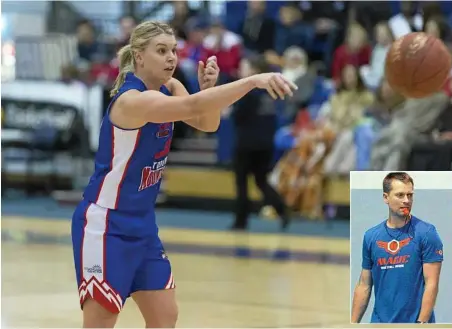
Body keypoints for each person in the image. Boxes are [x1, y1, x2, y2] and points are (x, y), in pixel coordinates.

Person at [71, 20, 297, 328]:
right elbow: (192, 106)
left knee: (166, 316)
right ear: (139, 56)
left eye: (174, 51)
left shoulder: (171, 87)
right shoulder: (133, 100)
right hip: (105, 225)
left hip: (142, 225)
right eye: (161, 51)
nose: (171, 58)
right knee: (101, 322)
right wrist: (252, 81)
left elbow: (208, 123)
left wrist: (209, 90)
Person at [351, 172, 443, 324]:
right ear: (386, 198)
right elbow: (364, 284)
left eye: (410, 195)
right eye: (400, 195)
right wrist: (353, 324)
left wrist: (422, 323)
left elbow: (431, 283)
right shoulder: (371, 236)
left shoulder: (426, 233)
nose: (406, 200)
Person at [231, 55, 290, 230]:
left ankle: (241, 220)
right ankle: (281, 208)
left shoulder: (246, 91)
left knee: (242, 182)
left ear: (254, 71)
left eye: (244, 66)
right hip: (265, 143)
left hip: (246, 143)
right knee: (261, 180)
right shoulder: (269, 93)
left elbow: (238, 116)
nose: (241, 70)